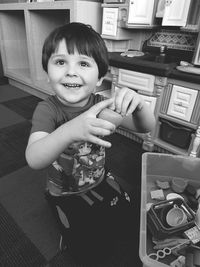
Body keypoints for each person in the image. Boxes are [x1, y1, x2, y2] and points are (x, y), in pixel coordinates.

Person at [25, 22, 155, 264]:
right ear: (47, 73)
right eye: (60, 62)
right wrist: (70, 130)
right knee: (86, 244)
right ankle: (57, 211)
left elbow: (144, 127)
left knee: (132, 213)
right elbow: (33, 158)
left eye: (83, 63)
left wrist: (140, 106)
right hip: (65, 189)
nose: (71, 71)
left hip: (99, 176)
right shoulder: (48, 110)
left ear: (99, 78)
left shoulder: (102, 104)